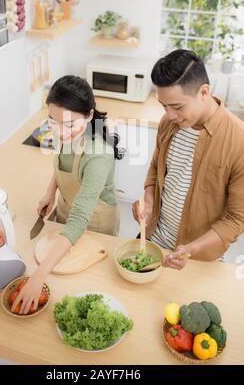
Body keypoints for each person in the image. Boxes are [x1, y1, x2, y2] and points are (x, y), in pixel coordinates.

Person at [13, 75, 123, 314]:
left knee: (85, 284)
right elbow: (62, 161)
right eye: (52, 121)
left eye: (70, 124)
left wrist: (38, 276)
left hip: (95, 223)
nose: (60, 132)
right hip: (66, 211)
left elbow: (80, 218)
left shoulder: (98, 154)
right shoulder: (66, 131)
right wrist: (49, 193)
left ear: (90, 115)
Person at [133, 49, 244, 270]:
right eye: (164, 105)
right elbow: (156, 169)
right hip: (154, 239)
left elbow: (236, 219)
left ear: (204, 92)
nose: (169, 114)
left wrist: (190, 249)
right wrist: (148, 200)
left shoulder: (238, 140)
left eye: (177, 106)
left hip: (198, 257)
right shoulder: (168, 123)